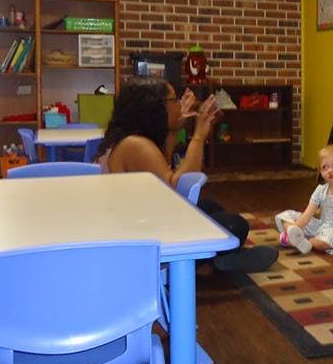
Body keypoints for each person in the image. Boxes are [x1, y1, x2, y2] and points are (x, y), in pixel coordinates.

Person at [95, 77, 278, 272]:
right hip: (144, 239)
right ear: (155, 108)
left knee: (212, 207)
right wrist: (199, 136)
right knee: (235, 226)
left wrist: (173, 129)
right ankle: (209, 261)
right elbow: (177, 193)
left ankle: (224, 258)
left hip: (142, 219)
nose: (180, 104)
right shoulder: (136, 145)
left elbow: (161, 166)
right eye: (174, 100)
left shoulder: (130, 139)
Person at [274, 145, 333, 255]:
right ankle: (295, 236)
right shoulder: (320, 190)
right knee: (286, 215)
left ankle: (304, 242)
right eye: (325, 167)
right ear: (321, 172)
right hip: (321, 227)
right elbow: (307, 215)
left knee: (325, 242)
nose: (330, 170)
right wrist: (295, 228)